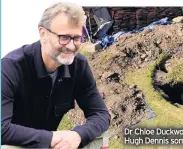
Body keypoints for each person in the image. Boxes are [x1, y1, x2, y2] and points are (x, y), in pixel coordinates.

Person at [1, 2, 110, 149]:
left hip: (53, 143)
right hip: (20, 143)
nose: (72, 46)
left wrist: (77, 135)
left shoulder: (78, 65)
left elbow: (101, 114)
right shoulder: (10, 67)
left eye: (77, 38)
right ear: (43, 34)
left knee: (101, 137)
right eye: (64, 37)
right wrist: (50, 138)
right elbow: (2, 129)